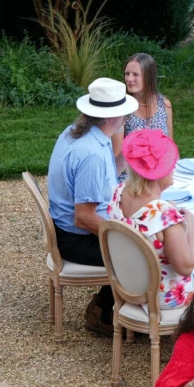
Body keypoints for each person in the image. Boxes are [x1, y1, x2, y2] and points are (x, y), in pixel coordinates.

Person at [47, 78, 140, 335]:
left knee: (138, 237)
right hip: (76, 238)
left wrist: (131, 155)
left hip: (65, 229)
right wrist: (129, 235)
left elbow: (106, 173)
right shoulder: (92, 155)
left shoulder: (76, 133)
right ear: (114, 116)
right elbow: (85, 218)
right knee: (145, 253)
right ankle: (104, 313)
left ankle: (108, 305)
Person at [106, 129, 194, 309]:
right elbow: (186, 267)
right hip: (163, 296)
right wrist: (189, 224)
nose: (174, 166)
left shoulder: (117, 192)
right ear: (158, 173)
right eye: (169, 163)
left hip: (128, 285)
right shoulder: (164, 215)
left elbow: (146, 217)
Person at [113, 53, 174, 169]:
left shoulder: (164, 104)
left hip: (160, 172)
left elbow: (171, 147)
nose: (129, 79)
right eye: (127, 74)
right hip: (131, 176)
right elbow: (117, 160)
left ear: (148, 77)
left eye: (135, 74)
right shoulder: (122, 109)